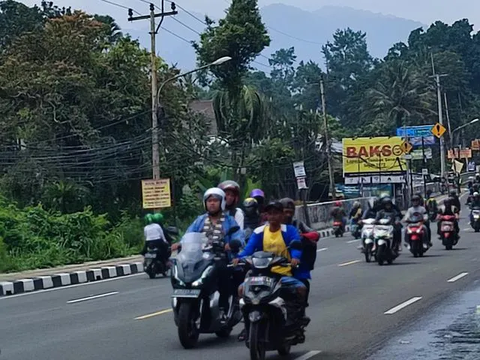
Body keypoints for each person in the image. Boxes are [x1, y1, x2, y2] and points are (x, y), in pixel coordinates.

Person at [234, 201, 307, 329]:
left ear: (282, 216)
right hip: (260, 274)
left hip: (282, 274)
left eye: (276, 213)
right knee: (241, 289)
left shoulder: (289, 230)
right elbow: (248, 250)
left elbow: (296, 245)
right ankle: (247, 325)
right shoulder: (259, 232)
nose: (273, 217)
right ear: (266, 216)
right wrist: (239, 259)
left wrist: (295, 258)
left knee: (301, 288)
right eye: (270, 214)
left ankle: (296, 318)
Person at [182, 187, 245, 318]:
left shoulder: (229, 221)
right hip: (199, 258)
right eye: (209, 200)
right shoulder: (200, 220)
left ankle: (223, 307)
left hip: (220, 258)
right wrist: (180, 243)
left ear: (221, 202)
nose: (212, 203)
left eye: (215, 200)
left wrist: (233, 244)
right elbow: (188, 234)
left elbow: (239, 236)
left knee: (222, 272)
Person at [280, 198, 320, 304]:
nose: (288, 215)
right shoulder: (273, 225)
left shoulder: (297, 223)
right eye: (285, 212)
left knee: (303, 283)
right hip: (277, 261)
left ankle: (301, 309)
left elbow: (315, 234)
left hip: (295, 262)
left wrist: (302, 236)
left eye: (290, 212)